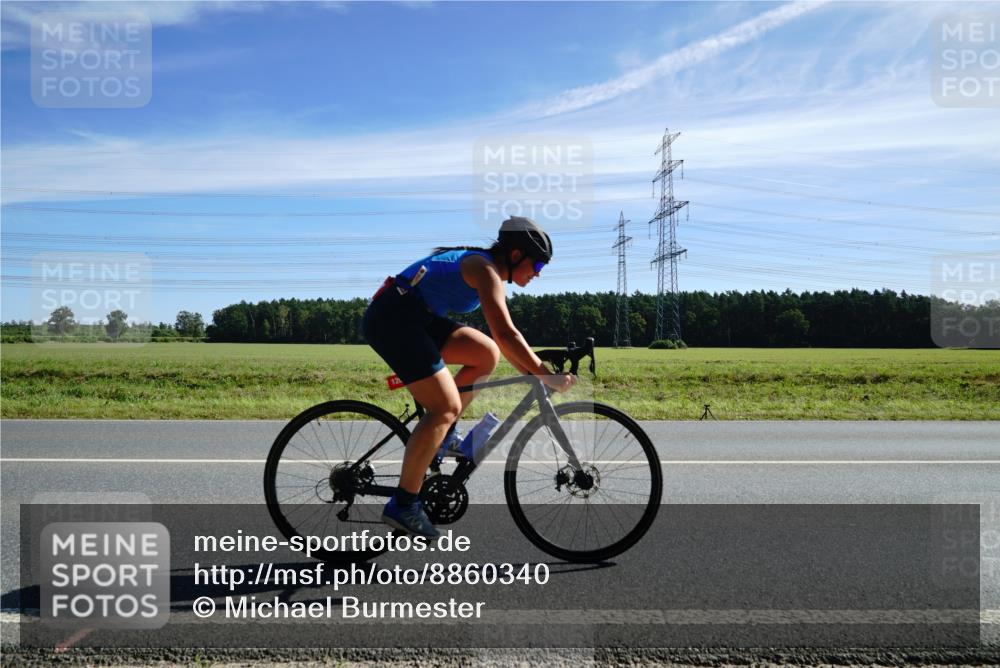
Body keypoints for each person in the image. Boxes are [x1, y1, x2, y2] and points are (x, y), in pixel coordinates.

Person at [361, 216, 576, 537]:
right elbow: (507, 333)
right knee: (444, 406)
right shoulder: (484, 269)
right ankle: (404, 504)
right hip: (394, 319)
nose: (537, 275)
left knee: (484, 353)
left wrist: (533, 372)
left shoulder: (488, 268)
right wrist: (545, 375)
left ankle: (443, 437)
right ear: (517, 255)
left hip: (417, 318)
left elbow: (503, 346)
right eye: (538, 266)